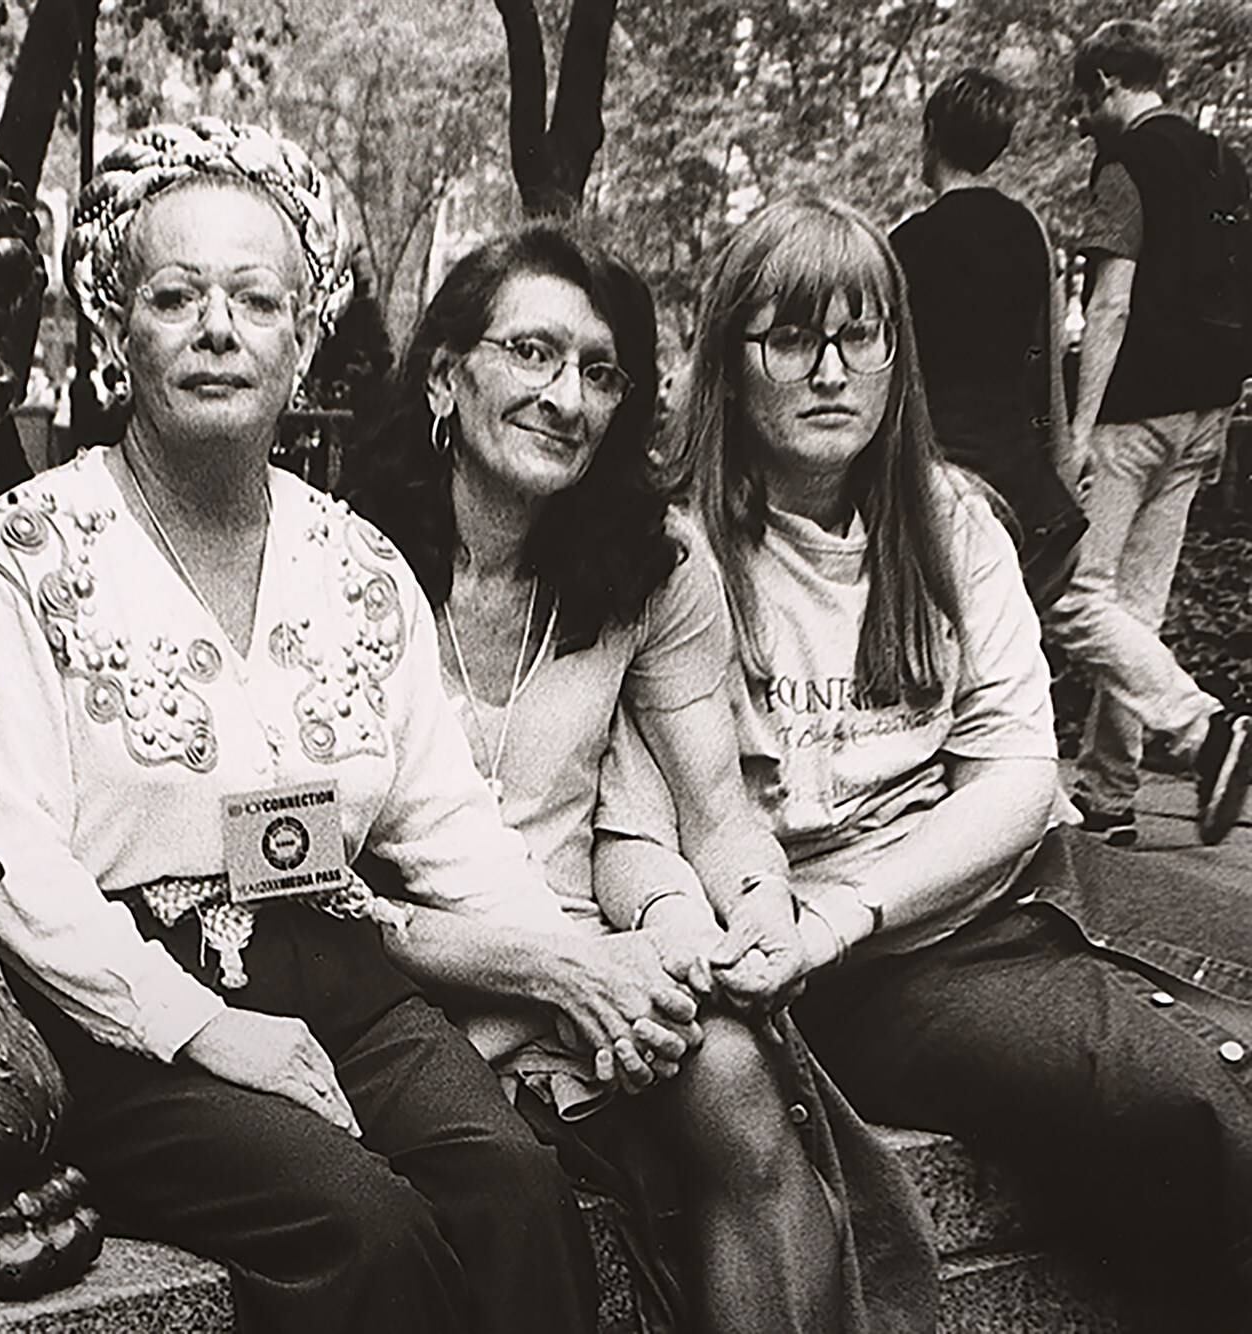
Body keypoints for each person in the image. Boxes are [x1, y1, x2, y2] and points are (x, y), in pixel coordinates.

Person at [0, 119, 705, 1334]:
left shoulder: (358, 564)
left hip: (336, 973)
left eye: (255, 299)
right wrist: (204, 1027)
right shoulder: (16, 558)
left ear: (302, 335)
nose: (216, 328)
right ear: (117, 329)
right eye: (174, 296)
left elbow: (447, 825)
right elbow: (9, 862)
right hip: (121, 1018)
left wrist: (575, 976)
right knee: (361, 1226)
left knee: (513, 1187)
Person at [600, 194, 1252, 1327]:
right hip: (849, 974)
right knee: (1187, 1098)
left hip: (986, 890)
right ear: (728, 363)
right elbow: (640, 821)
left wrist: (851, 905)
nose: (830, 372)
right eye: (790, 338)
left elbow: (1019, 775)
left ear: (897, 355)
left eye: (860, 336)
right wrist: (795, 927)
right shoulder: (666, 553)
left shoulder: (951, 521)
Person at [343, 225, 935, 1334]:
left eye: (601, 371)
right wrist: (555, 970)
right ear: (442, 376)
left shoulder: (650, 563)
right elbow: (313, 894)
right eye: (531, 352)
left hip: (601, 965)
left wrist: (757, 914)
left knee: (739, 1080)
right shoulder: (335, 560)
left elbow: (713, 810)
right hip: (399, 971)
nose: (566, 397)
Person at [1047, 19, 1252, 846]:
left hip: (1133, 414)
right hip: (1207, 410)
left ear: (1105, 82)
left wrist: (1078, 429)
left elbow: (1111, 303)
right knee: (1135, 610)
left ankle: (1206, 731)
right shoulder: (1224, 164)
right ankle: (1109, 794)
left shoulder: (1127, 161)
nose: (1081, 120)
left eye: (1081, 102)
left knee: (1073, 601)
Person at [890, 67, 1083, 613]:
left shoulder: (906, 244)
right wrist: (1061, 465)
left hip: (936, 472)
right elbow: (1047, 358)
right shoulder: (1029, 230)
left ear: (930, 133)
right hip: (1015, 469)